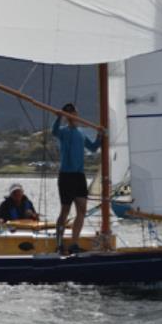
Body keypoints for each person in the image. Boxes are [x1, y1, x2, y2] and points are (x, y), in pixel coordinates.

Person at [52, 102, 101, 254]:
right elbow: (54, 131)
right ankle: (59, 243)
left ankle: (74, 242)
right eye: (69, 113)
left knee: (82, 210)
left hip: (80, 175)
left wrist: (100, 135)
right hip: (66, 175)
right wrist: (59, 117)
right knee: (65, 210)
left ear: (76, 114)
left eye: (73, 113)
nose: (72, 115)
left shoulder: (82, 132)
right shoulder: (63, 131)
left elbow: (93, 148)